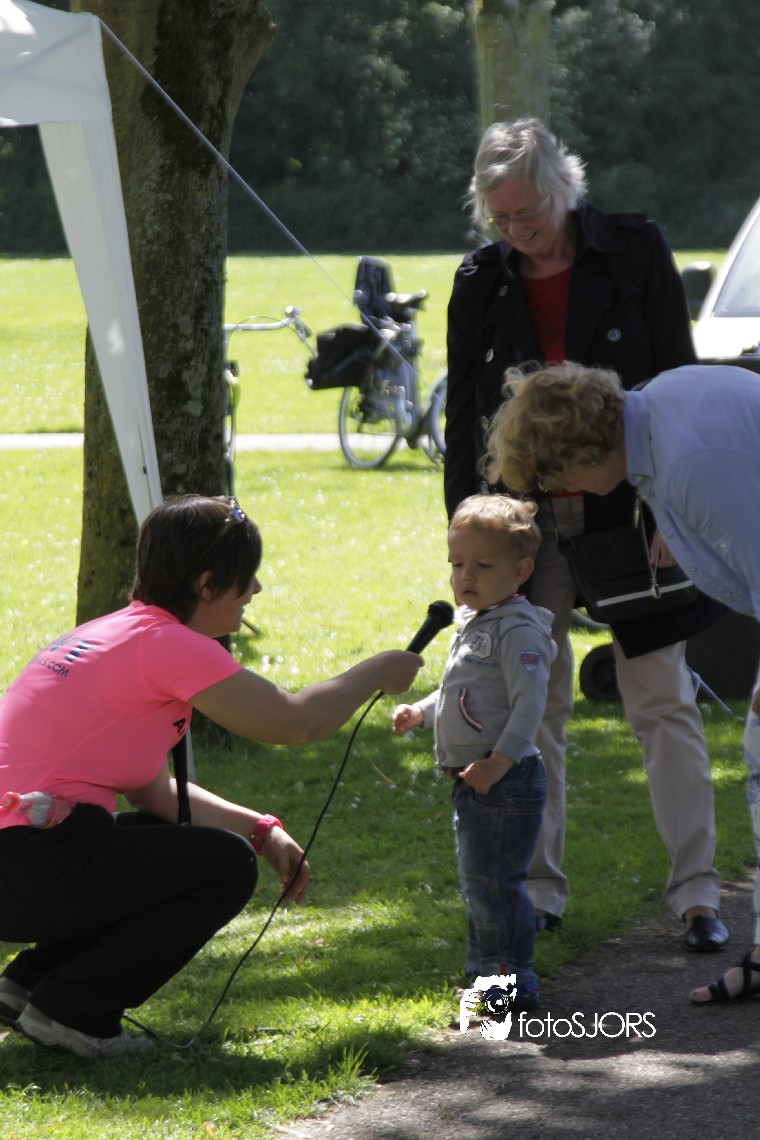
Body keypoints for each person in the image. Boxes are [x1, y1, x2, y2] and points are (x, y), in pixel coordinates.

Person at [0, 494, 422, 1059]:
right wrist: (377, 670)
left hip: (26, 859)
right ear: (206, 585)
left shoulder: (115, 632)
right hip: (27, 863)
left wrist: (263, 830)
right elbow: (295, 722)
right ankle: (72, 1012)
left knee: (168, 840)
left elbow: (154, 792)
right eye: (246, 578)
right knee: (224, 866)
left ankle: (28, 985)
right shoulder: (167, 643)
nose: (256, 590)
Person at [444, 116, 728, 951]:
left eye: (527, 213)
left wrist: (673, 511)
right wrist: (468, 535)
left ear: (563, 188)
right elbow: (463, 415)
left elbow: (676, 380)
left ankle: (698, 895)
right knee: (533, 704)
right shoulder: (480, 280)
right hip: (523, 518)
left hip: (630, 507)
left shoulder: (634, 250)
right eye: (500, 218)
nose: (516, 231)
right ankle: (538, 894)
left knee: (662, 700)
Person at [484, 359, 760, 1002]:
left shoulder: (686, 463)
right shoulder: (660, 406)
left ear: (578, 455)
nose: (561, 493)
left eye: (553, 478)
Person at [392, 494, 554, 1010]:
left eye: (483, 566)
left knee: (495, 885)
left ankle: (511, 983)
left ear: (521, 570)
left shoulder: (517, 629)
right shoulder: (477, 621)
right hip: (477, 780)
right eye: (457, 564)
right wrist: (422, 712)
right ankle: (486, 975)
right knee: (478, 884)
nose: (465, 577)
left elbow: (530, 703)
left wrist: (499, 762)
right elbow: (464, 692)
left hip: (503, 779)